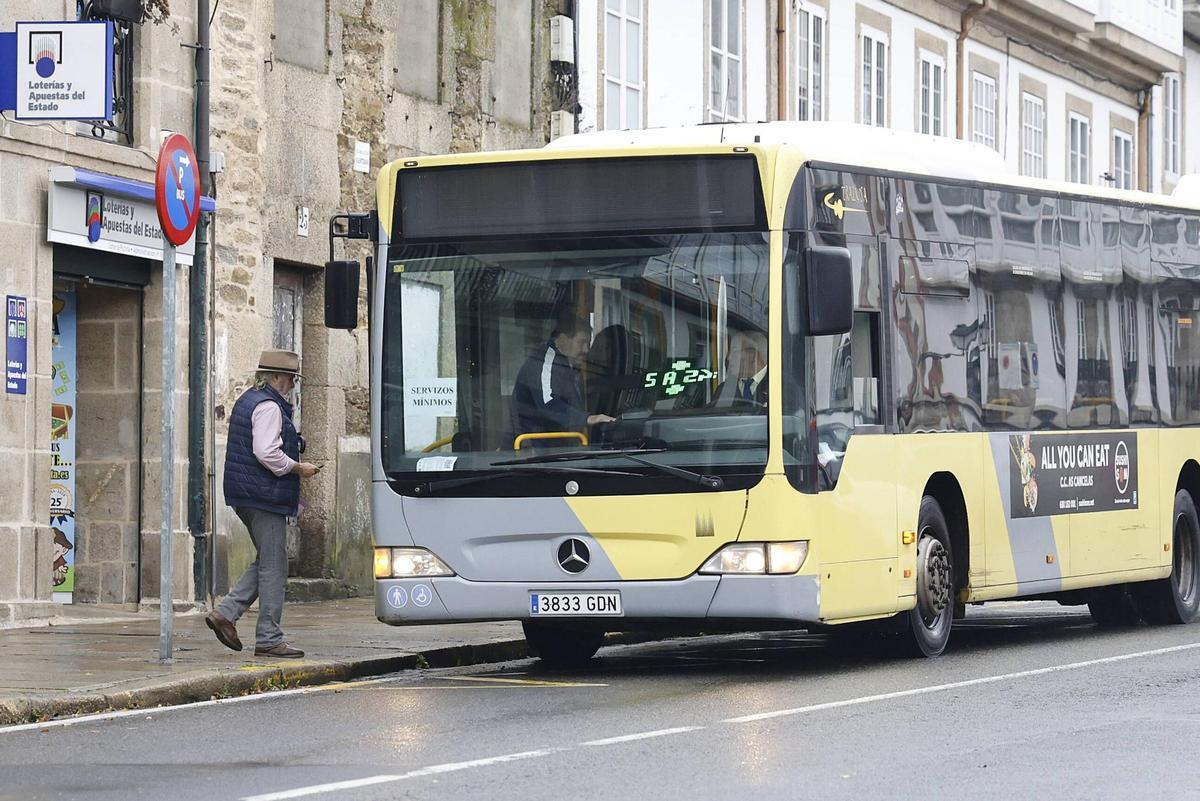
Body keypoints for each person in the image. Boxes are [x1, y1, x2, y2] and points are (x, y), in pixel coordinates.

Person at [206, 349, 319, 659]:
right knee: (273, 565)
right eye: (292, 379)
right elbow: (267, 453)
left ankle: (226, 613)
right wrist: (299, 468)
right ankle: (269, 637)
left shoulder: (249, 399)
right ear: (278, 378)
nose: (293, 386)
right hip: (263, 494)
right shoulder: (269, 406)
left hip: (248, 492)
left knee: (271, 560)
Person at [512, 318, 615, 440]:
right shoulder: (545, 361)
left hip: (558, 444)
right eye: (581, 342)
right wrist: (587, 419)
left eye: (588, 343)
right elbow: (549, 402)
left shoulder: (569, 365)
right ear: (563, 339)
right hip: (532, 446)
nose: (586, 349)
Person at [712, 330, 768, 407]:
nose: (729, 358)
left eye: (734, 351)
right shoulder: (723, 390)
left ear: (752, 355)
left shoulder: (782, 388)